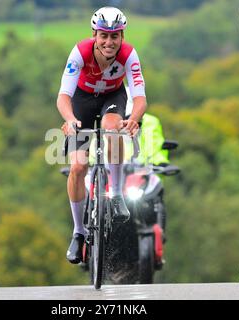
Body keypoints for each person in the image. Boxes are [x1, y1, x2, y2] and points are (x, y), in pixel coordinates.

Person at [57, 7, 147, 264]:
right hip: (82, 101)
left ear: (122, 36)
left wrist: (134, 119)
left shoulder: (129, 55)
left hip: (112, 98)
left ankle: (116, 195)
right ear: (94, 34)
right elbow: (63, 96)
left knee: (113, 130)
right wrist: (70, 119)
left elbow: (140, 98)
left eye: (115, 36)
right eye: (104, 36)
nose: (109, 42)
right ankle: (78, 233)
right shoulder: (80, 53)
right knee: (78, 166)